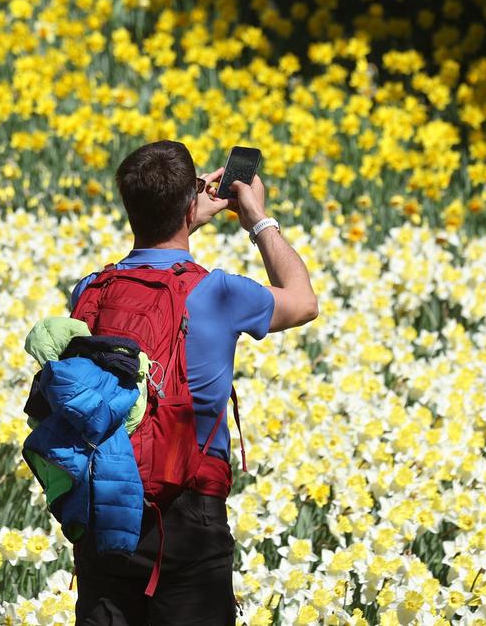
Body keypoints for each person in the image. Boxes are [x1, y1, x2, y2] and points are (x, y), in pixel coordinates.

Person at [67, 140, 318, 625]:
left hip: (105, 508)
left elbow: (151, 257)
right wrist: (258, 219)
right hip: (188, 515)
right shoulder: (218, 292)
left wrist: (178, 216)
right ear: (189, 205)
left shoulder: (90, 290)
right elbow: (303, 301)